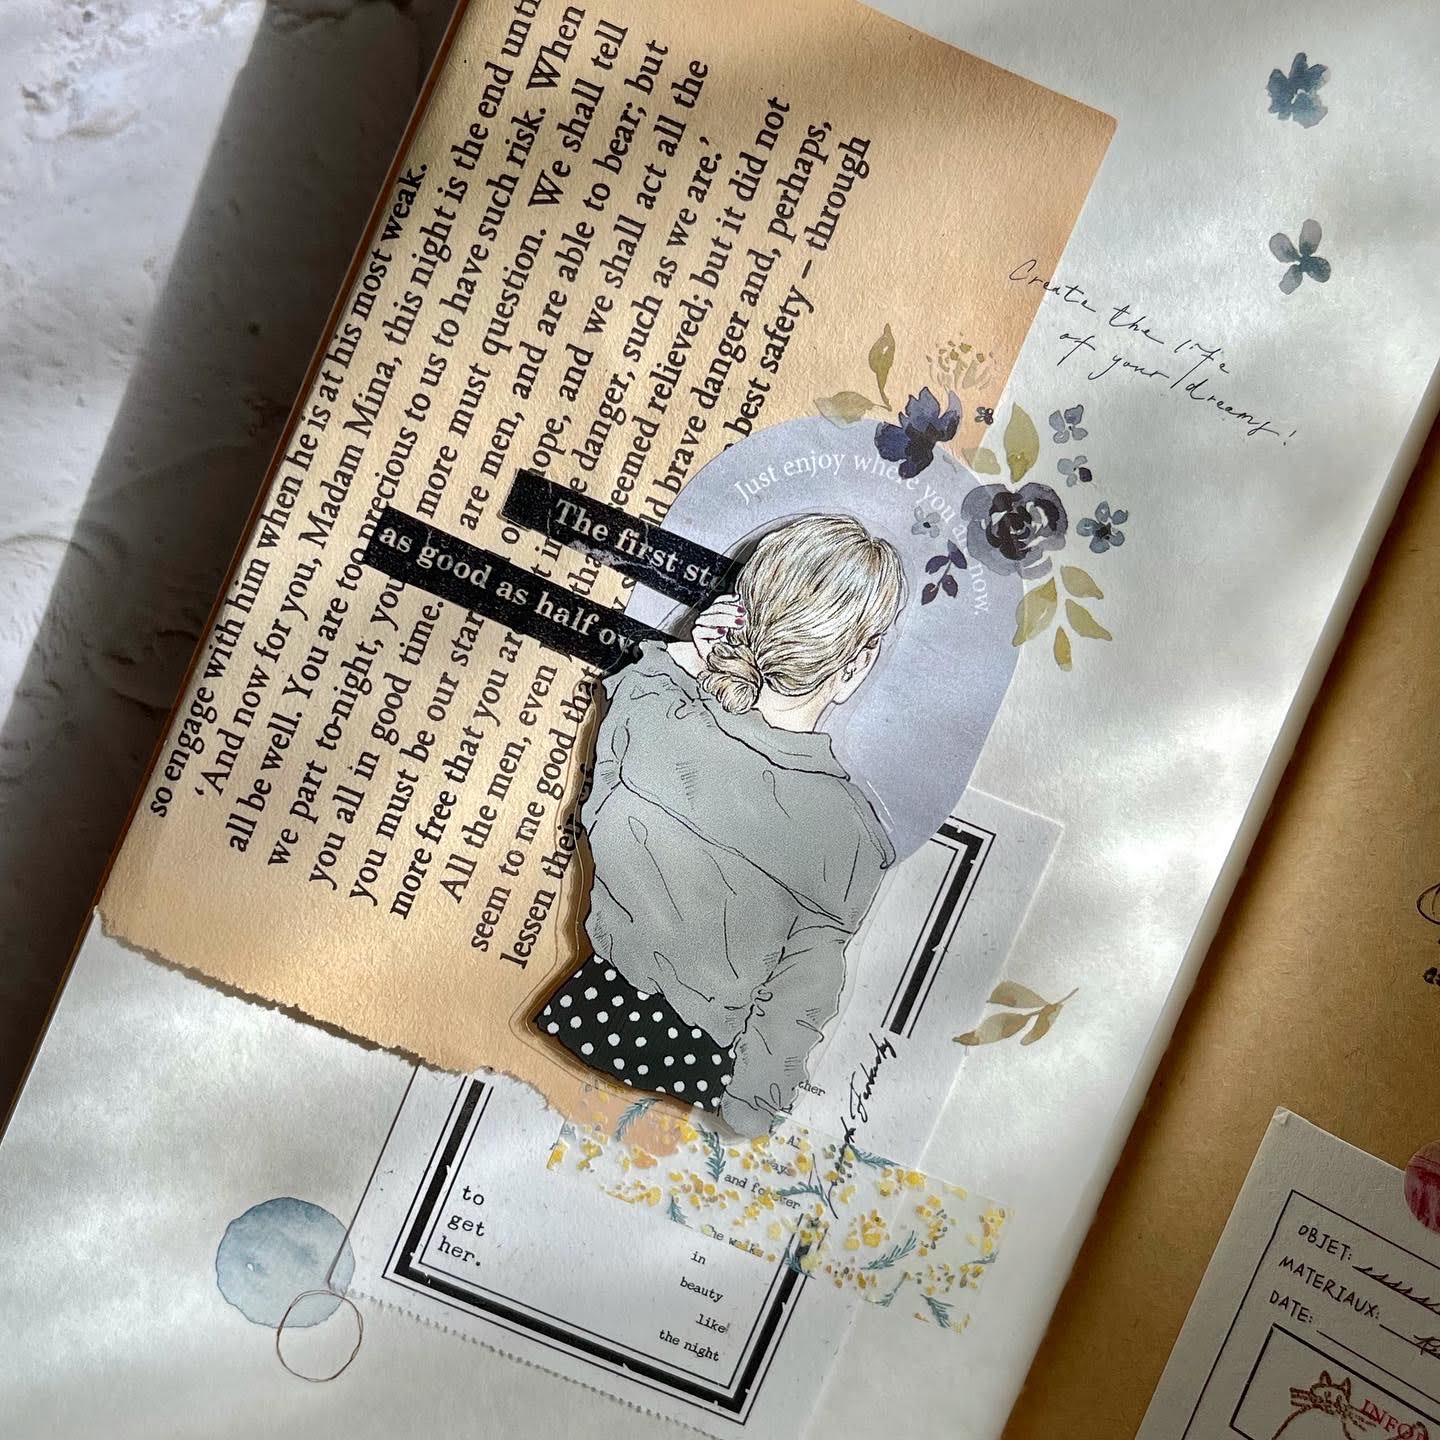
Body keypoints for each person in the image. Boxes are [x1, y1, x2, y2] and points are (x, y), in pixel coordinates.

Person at [536, 513, 904, 1137]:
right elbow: (799, 1001)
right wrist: (751, 1116)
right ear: (856, 665)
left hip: (584, 1012)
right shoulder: (851, 835)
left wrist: (687, 656)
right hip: (701, 1080)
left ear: (739, 615)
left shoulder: (656, 714)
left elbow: (598, 817)